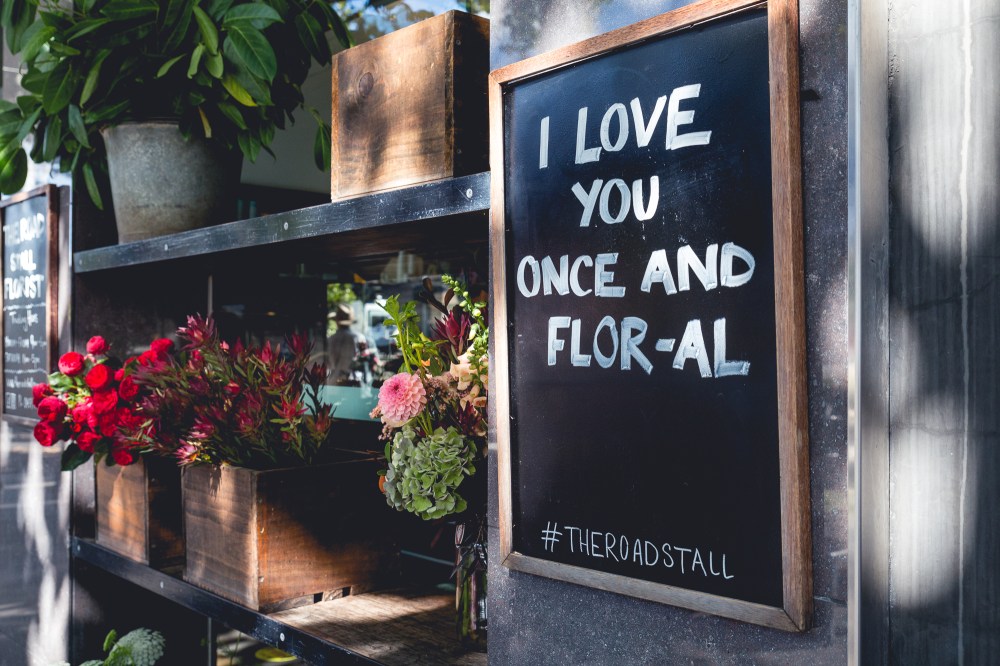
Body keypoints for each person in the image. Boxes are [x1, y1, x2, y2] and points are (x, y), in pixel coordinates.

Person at [327, 304, 379, 385]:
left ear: (336, 321)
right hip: (354, 381)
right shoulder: (359, 338)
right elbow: (365, 359)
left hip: (334, 381)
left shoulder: (330, 340)